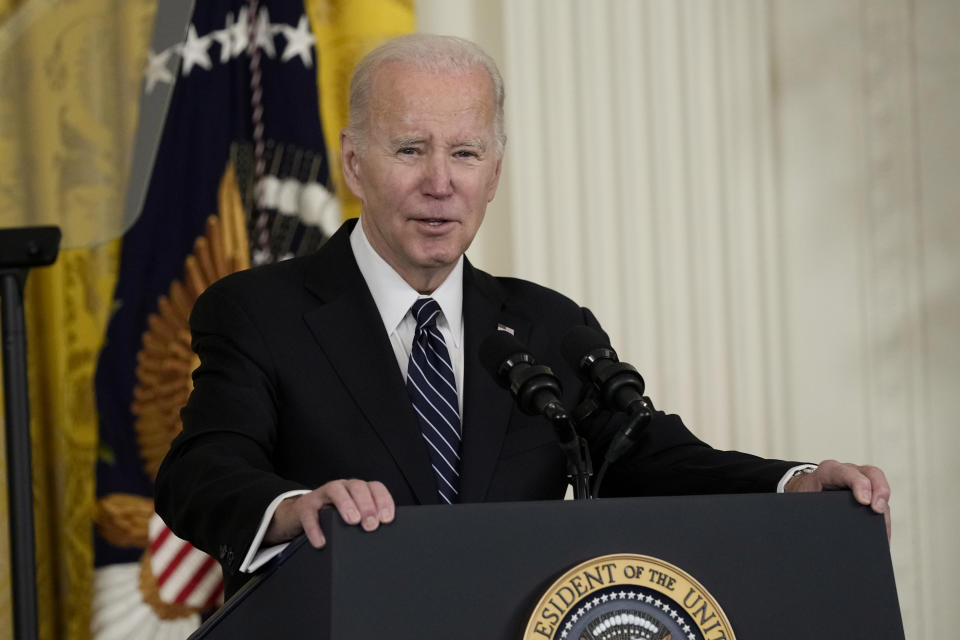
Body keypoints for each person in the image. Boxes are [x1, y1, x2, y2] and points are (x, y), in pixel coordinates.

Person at [154, 34, 890, 599]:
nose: (440, 182)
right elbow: (202, 470)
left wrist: (795, 486)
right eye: (410, 149)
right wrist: (295, 509)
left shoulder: (547, 327)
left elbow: (649, 458)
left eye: (466, 153)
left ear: (495, 171)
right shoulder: (259, 312)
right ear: (353, 163)